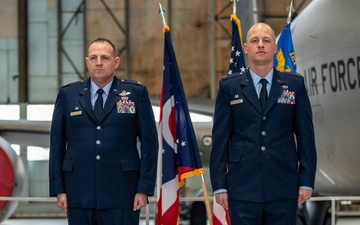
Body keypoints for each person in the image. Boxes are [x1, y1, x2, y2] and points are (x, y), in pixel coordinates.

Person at [209, 23, 317, 224]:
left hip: (284, 185)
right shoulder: (228, 86)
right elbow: (220, 139)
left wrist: (307, 181)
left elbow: (305, 136)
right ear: (245, 47)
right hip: (242, 187)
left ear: (275, 48)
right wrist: (219, 185)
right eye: (255, 41)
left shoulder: (294, 85)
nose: (260, 45)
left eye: (266, 41)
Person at [49, 37, 158, 225]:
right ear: (87, 62)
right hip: (79, 192)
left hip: (123, 193)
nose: (98, 62)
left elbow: (150, 143)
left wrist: (144, 188)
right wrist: (59, 188)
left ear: (116, 62)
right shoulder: (68, 95)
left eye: (105, 58)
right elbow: (57, 144)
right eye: (93, 58)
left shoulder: (135, 93)